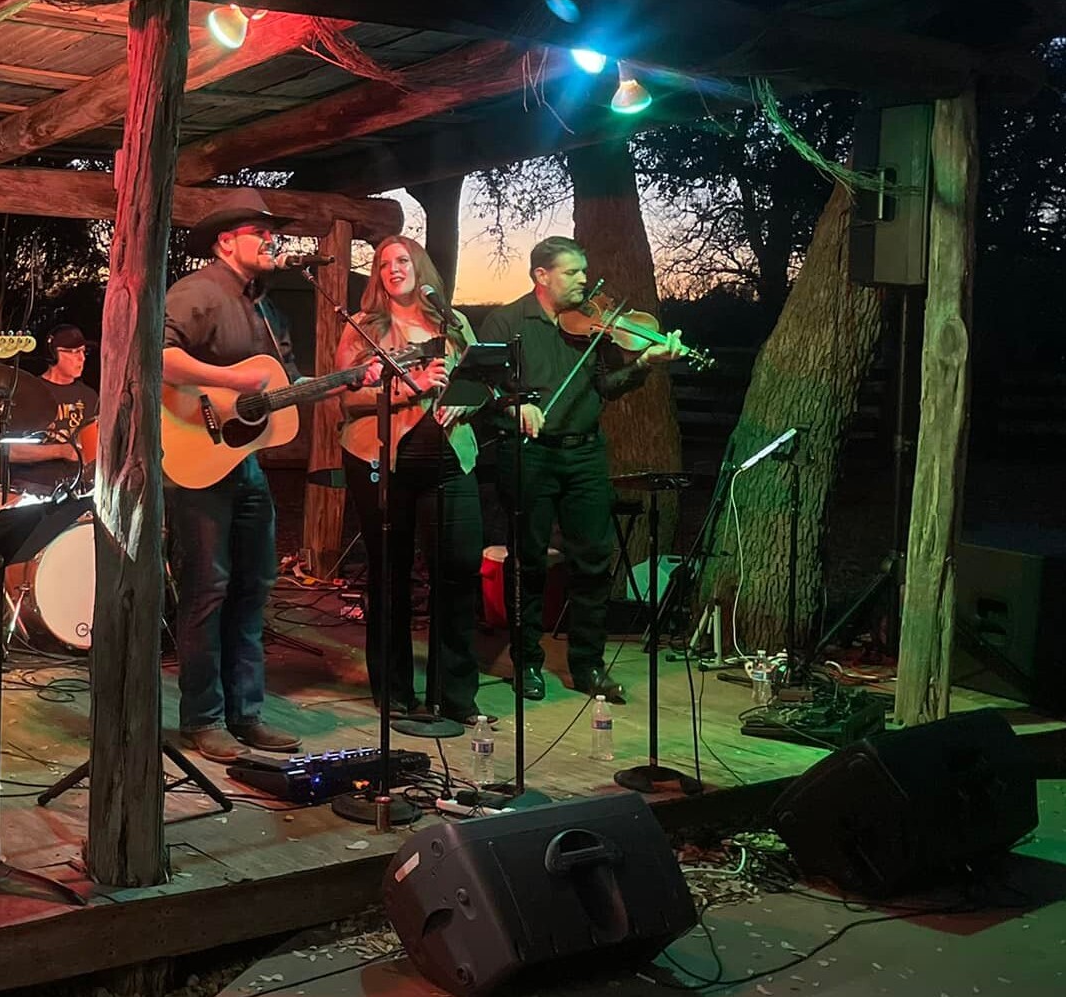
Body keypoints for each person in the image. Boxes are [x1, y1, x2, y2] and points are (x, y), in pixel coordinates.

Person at [163, 194, 373, 763]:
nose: (272, 242)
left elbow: (288, 387)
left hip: (244, 464)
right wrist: (229, 383)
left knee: (255, 586)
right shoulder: (197, 291)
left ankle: (246, 714)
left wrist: (351, 379)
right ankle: (201, 720)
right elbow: (156, 356)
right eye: (260, 232)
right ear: (225, 241)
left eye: (273, 233)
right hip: (198, 462)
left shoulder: (267, 308)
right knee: (208, 589)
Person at [473, 236, 682, 705]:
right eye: (573, 273)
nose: (584, 281)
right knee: (527, 561)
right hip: (529, 453)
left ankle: (588, 663)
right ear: (541, 276)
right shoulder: (506, 321)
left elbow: (607, 385)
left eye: (584, 272)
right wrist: (516, 408)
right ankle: (526, 661)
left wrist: (645, 363)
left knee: (593, 560)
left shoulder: (592, 327)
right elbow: (487, 391)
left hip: (585, 453)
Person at [336, 235, 487, 723]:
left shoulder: (454, 322)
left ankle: (455, 693)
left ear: (421, 266)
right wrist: (406, 389)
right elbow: (347, 398)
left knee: (459, 568)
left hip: (451, 461)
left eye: (402, 260)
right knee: (390, 573)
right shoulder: (364, 327)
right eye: (384, 265)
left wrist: (470, 396)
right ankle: (394, 690)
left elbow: (484, 378)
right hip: (382, 461)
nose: (393, 269)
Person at [7, 324, 98, 498]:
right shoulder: (29, 391)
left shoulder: (89, 396)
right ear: (53, 354)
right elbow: (10, 451)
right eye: (74, 352)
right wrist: (61, 451)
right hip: (30, 489)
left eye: (83, 352)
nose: (82, 359)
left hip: (76, 492)